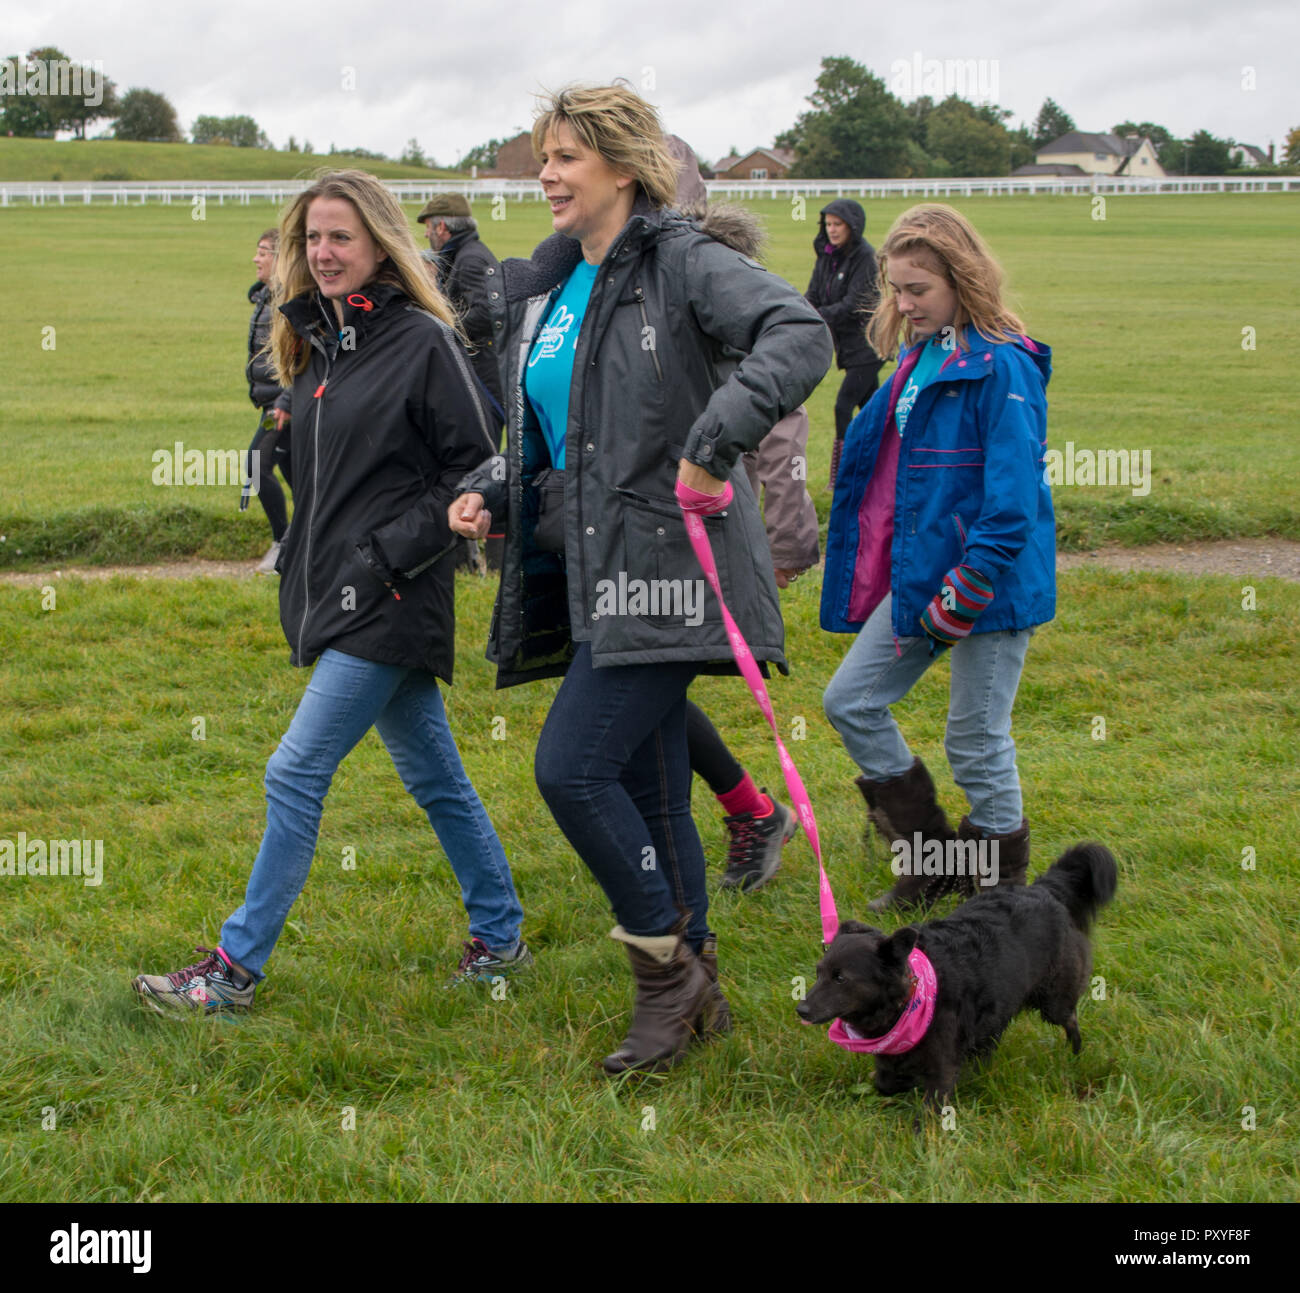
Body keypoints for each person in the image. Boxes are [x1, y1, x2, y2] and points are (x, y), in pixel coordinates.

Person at [449, 83, 831, 1073]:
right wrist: (495, 485)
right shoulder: (557, 284)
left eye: (567, 156)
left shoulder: (680, 261)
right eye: (544, 154)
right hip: (591, 574)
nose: (546, 173)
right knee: (655, 794)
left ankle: (665, 976)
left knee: (570, 769)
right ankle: (694, 993)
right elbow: (545, 431)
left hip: (674, 572)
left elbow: (799, 336)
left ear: (623, 165)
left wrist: (711, 446)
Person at [134, 170, 529, 1015]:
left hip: (391, 596)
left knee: (294, 769)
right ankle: (501, 936)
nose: (323, 251)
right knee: (435, 777)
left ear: (381, 242)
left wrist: (391, 553)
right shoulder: (316, 343)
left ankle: (233, 969)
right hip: (339, 594)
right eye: (313, 236)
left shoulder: (422, 339)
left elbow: (482, 461)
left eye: (341, 236)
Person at [820, 204, 1054, 911]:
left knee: (975, 738)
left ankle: (1002, 895)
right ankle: (934, 862)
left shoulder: (1004, 367)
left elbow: (1011, 503)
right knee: (850, 700)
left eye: (918, 288)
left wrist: (968, 587)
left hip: (990, 585)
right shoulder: (920, 358)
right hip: (921, 578)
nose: (903, 303)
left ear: (962, 278)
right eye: (895, 288)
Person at [417, 195, 506, 572]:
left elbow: (487, 313)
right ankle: (468, 556)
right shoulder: (467, 255)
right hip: (482, 377)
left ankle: (486, 559)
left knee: (479, 468)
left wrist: (442, 327)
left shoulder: (470, 259)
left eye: (427, 227)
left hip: (484, 381)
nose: (426, 235)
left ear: (442, 227)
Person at [805, 199, 882, 491]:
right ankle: (882, 464)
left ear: (853, 226)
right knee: (874, 409)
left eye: (838, 224)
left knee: (842, 407)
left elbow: (854, 303)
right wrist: (799, 311)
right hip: (848, 348)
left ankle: (840, 477)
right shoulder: (826, 255)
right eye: (828, 224)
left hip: (868, 346)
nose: (833, 230)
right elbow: (813, 293)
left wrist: (816, 316)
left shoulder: (866, 257)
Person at [243, 229, 293, 573]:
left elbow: (305, 360)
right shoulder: (268, 296)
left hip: (285, 404)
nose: (256, 258)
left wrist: (287, 401)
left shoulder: (291, 300)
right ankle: (300, 546)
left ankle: (282, 543)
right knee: (300, 479)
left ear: (281, 258)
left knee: (255, 466)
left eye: (263, 252)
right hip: (272, 402)